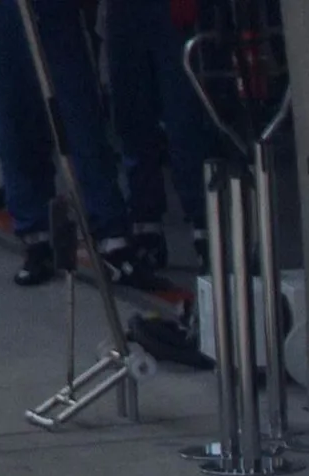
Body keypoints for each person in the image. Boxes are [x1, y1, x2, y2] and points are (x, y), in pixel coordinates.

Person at [0, 0, 145, 288]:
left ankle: (112, 239)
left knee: (83, 123)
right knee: (15, 126)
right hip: (1, 12)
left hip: (57, 12)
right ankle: (36, 239)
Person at [99, 0, 210, 275]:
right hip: (123, 11)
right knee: (132, 117)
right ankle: (146, 223)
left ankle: (203, 223)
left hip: (173, 11)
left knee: (185, 118)